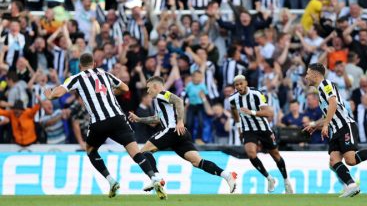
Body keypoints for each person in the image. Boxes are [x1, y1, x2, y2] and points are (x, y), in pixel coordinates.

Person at [43, 53, 166, 200]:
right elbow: (125, 88)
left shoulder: (77, 77)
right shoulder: (104, 73)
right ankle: (153, 178)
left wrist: (49, 95)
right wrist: (110, 93)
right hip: (118, 118)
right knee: (135, 152)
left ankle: (111, 181)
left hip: (99, 122)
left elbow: (58, 93)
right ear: (94, 64)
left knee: (90, 150)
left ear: (80, 66)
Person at [303, 63, 367, 197]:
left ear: (315, 74)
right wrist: (316, 125)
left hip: (345, 126)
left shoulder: (326, 85)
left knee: (351, 160)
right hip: (335, 129)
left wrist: (325, 125)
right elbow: (329, 115)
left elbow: (333, 103)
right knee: (333, 161)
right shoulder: (320, 92)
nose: (306, 76)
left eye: (308, 73)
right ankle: (351, 185)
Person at [128, 76, 237, 193]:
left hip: (171, 131)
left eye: (149, 88)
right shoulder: (158, 100)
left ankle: (157, 179)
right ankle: (227, 175)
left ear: (155, 86)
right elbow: (157, 119)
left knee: (143, 152)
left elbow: (179, 101)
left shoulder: (162, 94)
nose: (148, 91)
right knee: (197, 161)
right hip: (181, 134)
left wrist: (180, 121)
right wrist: (139, 119)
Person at [229, 75, 293, 194]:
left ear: (246, 83)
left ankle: (286, 181)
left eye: (241, 83)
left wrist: (251, 112)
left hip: (263, 128)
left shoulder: (256, 94)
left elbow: (270, 112)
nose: (239, 86)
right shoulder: (233, 98)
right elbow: (233, 111)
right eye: (236, 85)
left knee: (275, 155)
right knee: (251, 153)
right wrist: (239, 127)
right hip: (248, 129)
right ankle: (269, 178)